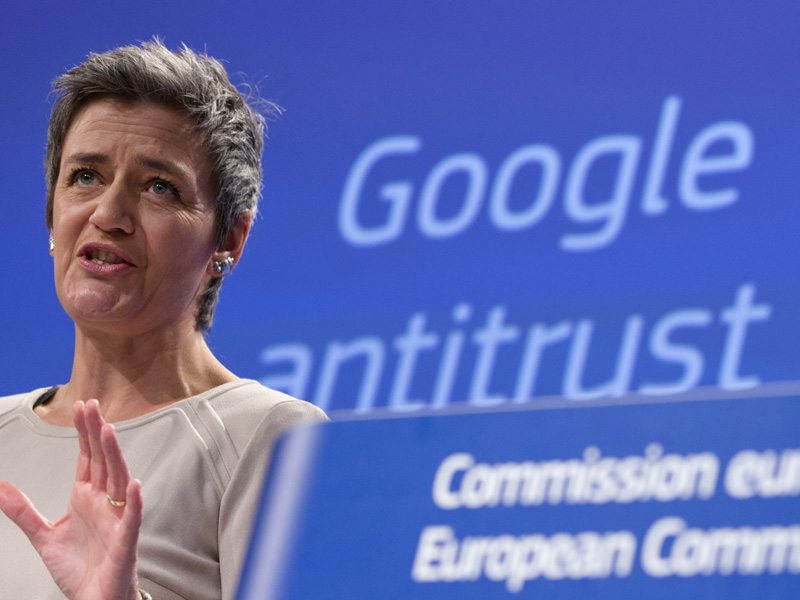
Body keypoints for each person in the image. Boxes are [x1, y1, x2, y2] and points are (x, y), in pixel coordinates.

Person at [0, 40, 327, 599]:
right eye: (85, 176)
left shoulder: (272, 439)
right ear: (53, 214)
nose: (108, 214)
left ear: (229, 240)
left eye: (159, 187)